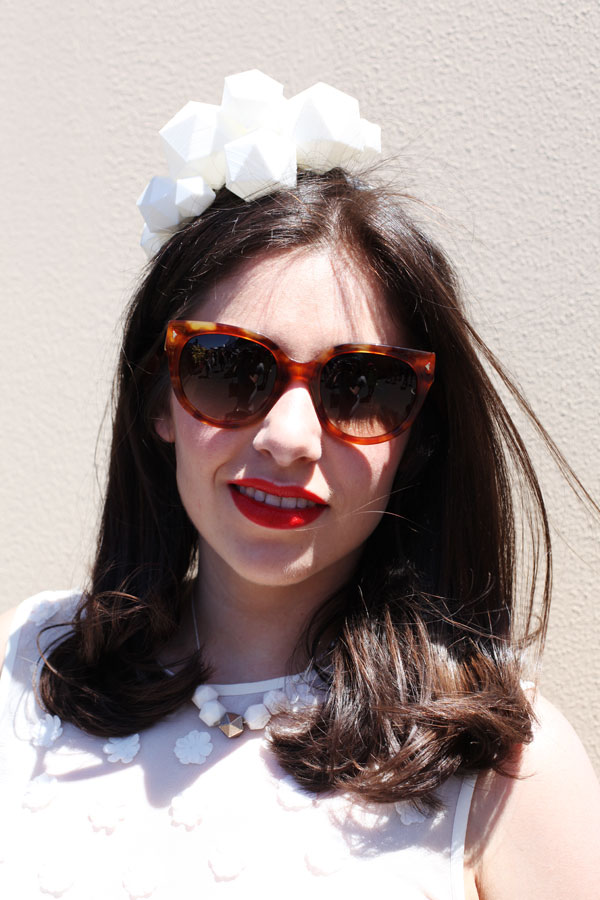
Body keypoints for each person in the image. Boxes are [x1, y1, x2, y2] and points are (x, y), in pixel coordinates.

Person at [0, 71, 598, 899]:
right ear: (156, 398)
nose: (288, 438)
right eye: (230, 368)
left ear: (420, 438)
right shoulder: (32, 662)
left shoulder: (504, 767)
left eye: (362, 385)